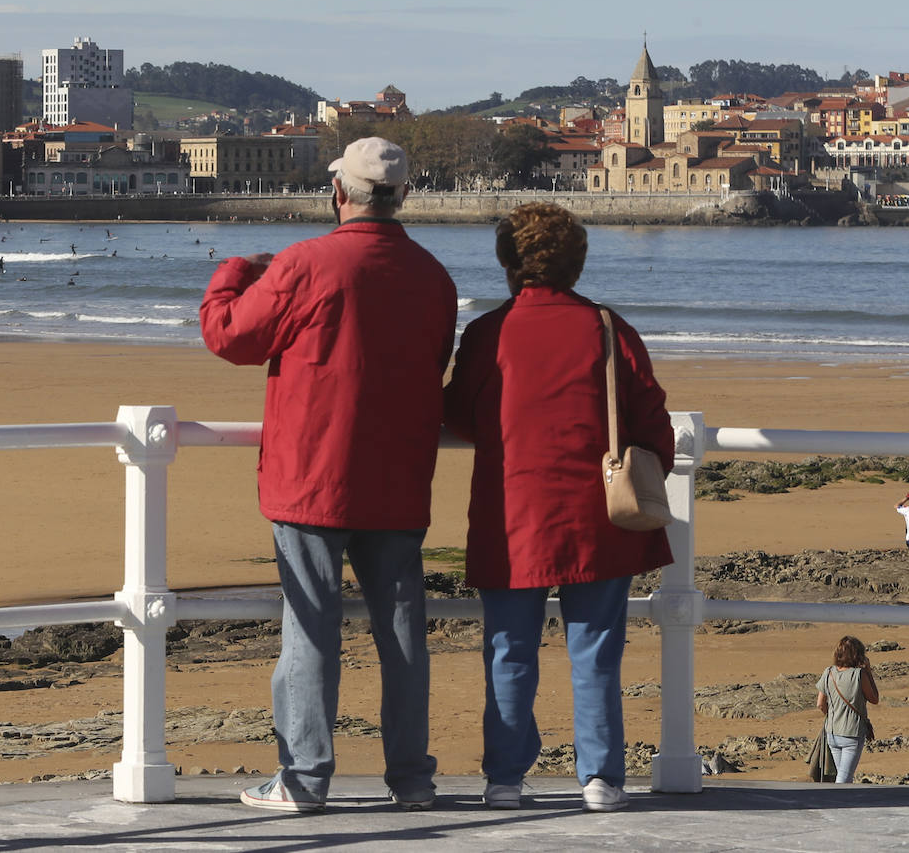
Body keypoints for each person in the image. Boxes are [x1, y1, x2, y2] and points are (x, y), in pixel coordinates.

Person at [200, 137, 457, 814]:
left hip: (312, 473)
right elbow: (435, 360)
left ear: (338, 193)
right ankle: (413, 778)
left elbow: (232, 337)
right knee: (401, 635)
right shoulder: (433, 276)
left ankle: (305, 778)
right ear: (403, 196)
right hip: (398, 474)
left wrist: (233, 272)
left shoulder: (304, 263)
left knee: (310, 630)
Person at [443, 203, 674, 813]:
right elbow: (653, 423)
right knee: (595, 649)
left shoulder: (490, 332)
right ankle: (599, 777)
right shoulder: (607, 327)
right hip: (597, 513)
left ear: (509, 262)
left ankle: (505, 779)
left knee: (508, 650)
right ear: (576, 261)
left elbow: (462, 416)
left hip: (511, 509)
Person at [814, 635, 879, 783]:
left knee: (843, 776)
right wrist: (868, 671)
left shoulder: (828, 672)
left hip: (832, 732)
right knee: (844, 778)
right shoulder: (859, 674)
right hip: (852, 733)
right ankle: (837, 804)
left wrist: (831, 717)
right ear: (858, 654)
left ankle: (843, 803)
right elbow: (874, 699)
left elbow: (820, 704)